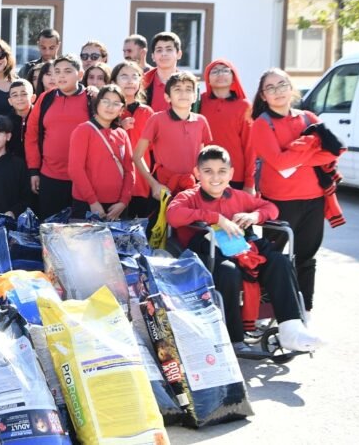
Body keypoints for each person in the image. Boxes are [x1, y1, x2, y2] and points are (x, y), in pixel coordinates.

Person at [166, 145, 323, 353]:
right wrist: (216, 218)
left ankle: (290, 330)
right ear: (197, 173)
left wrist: (254, 216)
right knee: (229, 272)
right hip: (206, 251)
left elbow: (271, 208)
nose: (215, 177)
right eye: (208, 171)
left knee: (280, 261)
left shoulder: (238, 196)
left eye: (222, 171)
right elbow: (173, 216)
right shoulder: (189, 196)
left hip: (241, 248)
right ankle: (234, 338)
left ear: (231, 173)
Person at [250, 68, 338, 315]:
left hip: (314, 199)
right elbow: (277, 163)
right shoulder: (261, 124)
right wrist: (309, 152)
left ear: (291, 89)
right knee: (274, 258)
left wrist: (296, 156)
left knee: (306, 258)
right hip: (279, 201)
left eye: (282, 85)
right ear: (263, 96)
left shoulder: (309, 118)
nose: (277, 92)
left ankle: (305, 311)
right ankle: (268, 311)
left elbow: (332, 150)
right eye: (270, 88)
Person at [24, 54, 93, 218]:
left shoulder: (92, 99)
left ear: (80, 74)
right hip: (50, 177)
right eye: (57, 71)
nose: (61, 76)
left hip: (84, 179)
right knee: (50, 232)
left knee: (80, 233)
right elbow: (31, 135)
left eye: (68, 71)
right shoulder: (45, 98)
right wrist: (34, 170)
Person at [134, 71, 212, 198]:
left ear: (194, 96)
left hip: (192, 189)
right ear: (167, 97)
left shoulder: (201, 121)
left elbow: (202, 157)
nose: (183, 93)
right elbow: (137, 156)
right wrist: (154, 184)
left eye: (188, 89)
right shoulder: (157, 119)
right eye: (177, 89)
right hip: (164, 188)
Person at [68, 85, 134, 220]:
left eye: (116, 103)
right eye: (105, 101)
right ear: (97, 103)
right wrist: (92, 201)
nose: (110, 107)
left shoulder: (121, 133)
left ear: (121, 109)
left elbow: (130, 170)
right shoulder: (83, 130)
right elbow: (76, 169)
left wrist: (123, 202)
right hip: (87, 203)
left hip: (117, 206)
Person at [198, 59, 253, 191]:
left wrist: (250, 183)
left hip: (234, 175)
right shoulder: (199, 101)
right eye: (215, 71)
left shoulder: (244, 106)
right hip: (203, 173)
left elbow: (250, 147)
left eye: (225, 70)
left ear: (233, 77)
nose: (220, 74)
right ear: (208, 79)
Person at [112, 60, 155, 217]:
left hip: (142, 180)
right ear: (114, 81)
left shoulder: (147, 112)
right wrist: (120, 128)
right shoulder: (109, 110)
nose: (130, 81)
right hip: (116, 180)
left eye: (134, 76)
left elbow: (153, 148)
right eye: (124, 76)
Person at [141, 31, 183, 113]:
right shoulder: (141, 84)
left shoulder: (189, 84)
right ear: (153, 56)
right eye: (159, 50)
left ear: (179, 54)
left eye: (169, 49)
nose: (164, 54)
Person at [5, 78, 35, 159]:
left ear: (33, 98)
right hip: (13, 166)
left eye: (24, 94)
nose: (19, 98)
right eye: (15, 95)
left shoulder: (41, 118)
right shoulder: (5, 123)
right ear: (10, 101)